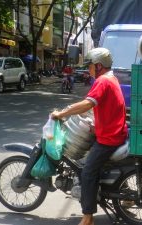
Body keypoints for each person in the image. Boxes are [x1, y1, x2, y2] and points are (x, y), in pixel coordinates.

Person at [51, 48, 128, 225]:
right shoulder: (111, 78)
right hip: (113, 131)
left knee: (87, 172)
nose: (88, 70)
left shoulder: (102, 81)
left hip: (110, 138)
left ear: (99, 66)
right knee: (88, 163)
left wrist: (63, 113)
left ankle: (88, 217)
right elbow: (104, 107)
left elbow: (87, 104)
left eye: (90, 66)